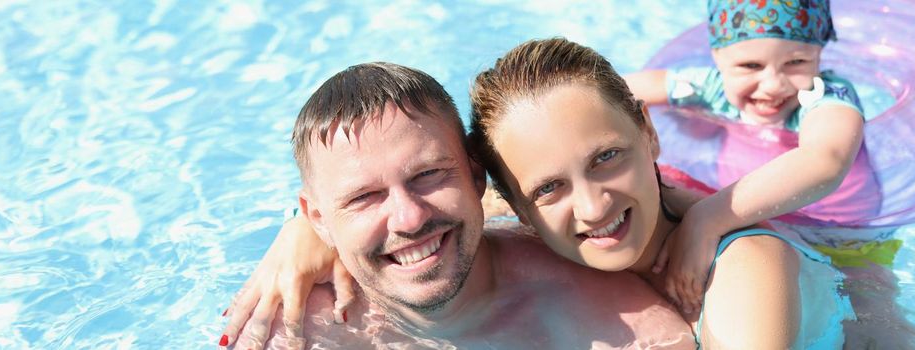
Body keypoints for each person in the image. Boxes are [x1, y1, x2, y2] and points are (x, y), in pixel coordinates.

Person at [224, 39, 855, 349]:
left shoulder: (744, 271)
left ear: (648, 132)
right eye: (548, 186)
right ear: (510, 200)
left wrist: (713, 216)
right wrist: (305, 231)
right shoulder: (518, 225)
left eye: (607, 157)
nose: (591, 206)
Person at [219, 62, 696, 349]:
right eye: (364, 197)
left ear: (475, 174)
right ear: (318, 218)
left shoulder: (611, 319)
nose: (409, 218)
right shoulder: (291, 330)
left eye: (428, 176)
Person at [622, 0, 884, 311]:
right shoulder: (712, 87)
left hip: (844, 242)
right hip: (747, 226)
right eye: (751, 66)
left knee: (873, 322)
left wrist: (705, 219)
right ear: (718, 56)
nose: (773, 85)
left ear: (819, 53)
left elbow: (825, 160)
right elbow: (611, 93)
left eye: (797, 61)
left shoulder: (829, 95)